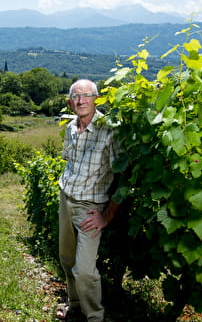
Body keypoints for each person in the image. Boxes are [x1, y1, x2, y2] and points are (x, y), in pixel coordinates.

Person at [57, 79, 121, 322]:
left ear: (96, 99)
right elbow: (70, 164)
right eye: (76, 96)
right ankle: (75, 305)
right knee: (66, 259)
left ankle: (95, 317)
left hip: (90, 208)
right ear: (70, 101)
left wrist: (107, 215)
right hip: (66, 200)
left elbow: (124, 177)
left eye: (86, 96)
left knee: (84, 270)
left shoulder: (109, 130)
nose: (81, 101)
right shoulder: (70, 127)